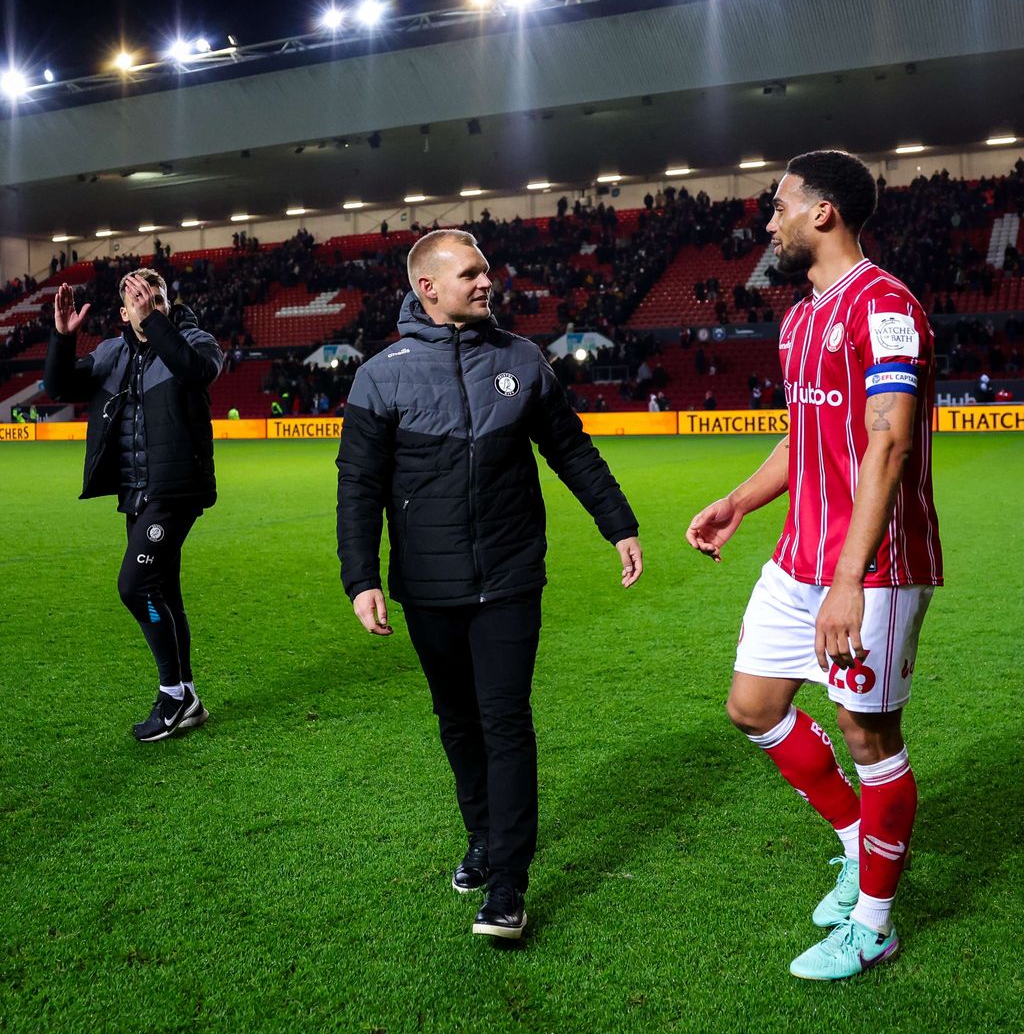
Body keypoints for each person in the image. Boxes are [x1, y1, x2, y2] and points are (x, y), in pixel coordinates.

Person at [337, 229, 643, 940]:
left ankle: (507, 881)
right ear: (428, 288)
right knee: (459, 723)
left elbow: (570, 447)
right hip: (429, 586)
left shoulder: (521, 359)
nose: (486, 284)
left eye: (486, 272)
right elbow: (359, 487)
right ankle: (481, 837)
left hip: (509, 577)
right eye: (470, 274)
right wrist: (362, 577)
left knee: (505, 721)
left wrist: (617, 522)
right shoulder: (381, 375)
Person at [686, 151, 942, 980]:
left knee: (868, 734)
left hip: (873, 569)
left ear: (824, 212)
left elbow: (889, 441)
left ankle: (875, 924)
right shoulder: (801, 318)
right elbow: (805, 437)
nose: (770, 222)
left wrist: (848, 578)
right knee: (752, 706)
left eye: (781, 206)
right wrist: (738, 501)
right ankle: (850, 844)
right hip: (799, 558)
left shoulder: (887, 306)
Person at [44, 269, 223, 742]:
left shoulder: (194, 339)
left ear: (166, 304)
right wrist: (64, 339)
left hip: (175, 488)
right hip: (136, 493)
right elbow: (59, 387)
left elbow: (197, 371)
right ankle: (188, 695)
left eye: (156, 297)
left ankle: (172, 695)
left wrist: (156, 322)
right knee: (164, 591)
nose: (148, 304)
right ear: (123, 313)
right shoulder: (112, 353)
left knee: (136, 585)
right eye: (138, 299)